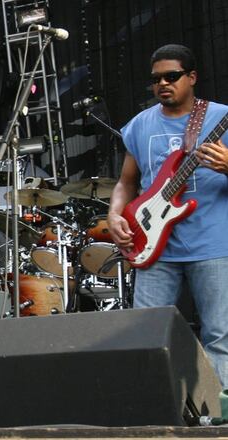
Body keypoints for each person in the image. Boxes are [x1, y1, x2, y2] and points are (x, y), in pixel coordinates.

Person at [108, 44, 228, 387]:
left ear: (192, 78)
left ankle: (220, 421)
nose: (163, 83)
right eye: (156, 78)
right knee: (145, 334)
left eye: (172, 76)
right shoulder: (139, 125)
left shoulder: (220, 117)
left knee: (220, 337)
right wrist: (115, 215)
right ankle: (151, 416)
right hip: (154, 247)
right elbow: (126, 182)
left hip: (214, 244)